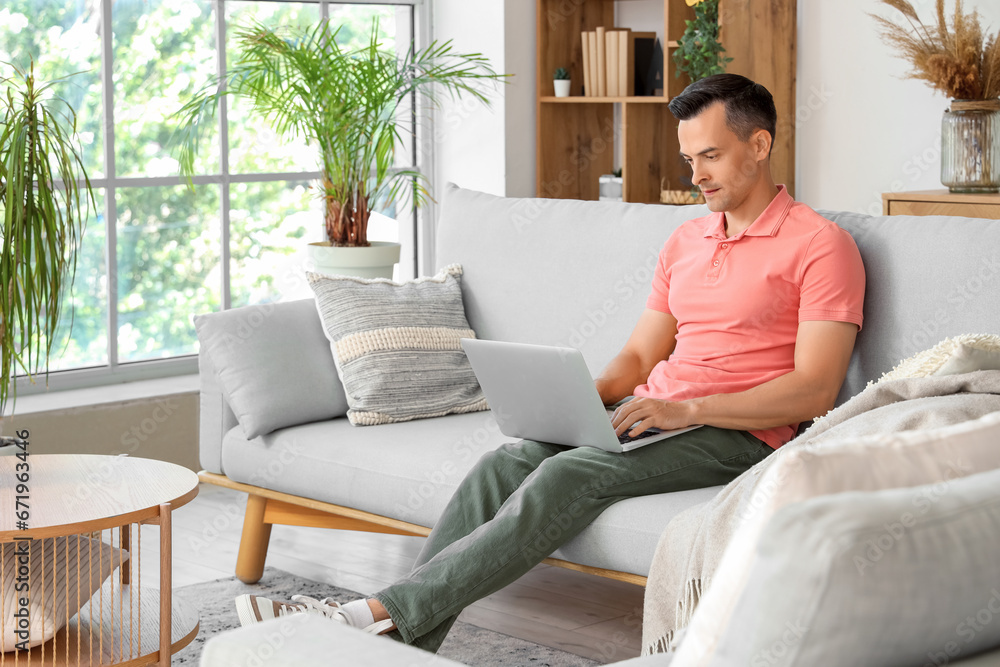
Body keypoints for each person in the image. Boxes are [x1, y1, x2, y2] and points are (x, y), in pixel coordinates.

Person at [232, 73, 866, 651]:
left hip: (741, 434)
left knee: (569, 476)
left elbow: (813, 391)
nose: (696, 174)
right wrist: (579, 398)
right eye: (687, 158)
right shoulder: (687, 239)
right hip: (655, 412)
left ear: (759, 145)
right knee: (503, 462)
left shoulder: (820, 245)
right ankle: (398, 648)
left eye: (711, 156)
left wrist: (682, 407)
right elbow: (643, 353)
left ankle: (362, 623)